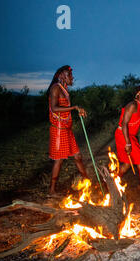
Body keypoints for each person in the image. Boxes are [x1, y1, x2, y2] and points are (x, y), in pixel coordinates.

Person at [47, 65, 88, 195]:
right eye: (69, 75)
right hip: (59, 130)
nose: (72, 77)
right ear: (61, 76)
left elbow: (64, 108)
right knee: (59, 159)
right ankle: (52, 190)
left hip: (66, 129)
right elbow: (54, 108)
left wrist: (77, 110)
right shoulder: (55, 89)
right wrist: (75, 107)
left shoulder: (64, 89)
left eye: (71, 75)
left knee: (77, 156)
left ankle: (87, 181)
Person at [115, 85, 140, 192]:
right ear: (139, 93)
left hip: (129, 135)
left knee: (127, 163)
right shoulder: (133, 105)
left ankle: (111, 180)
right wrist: (128, 143)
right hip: (123, 134)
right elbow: (124, 124)